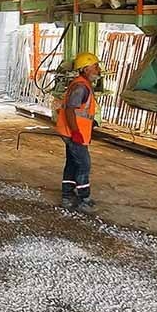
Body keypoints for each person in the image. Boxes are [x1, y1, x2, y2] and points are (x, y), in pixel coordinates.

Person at [55, 52, 101, 213]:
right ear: (86, 68)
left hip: (73, 131)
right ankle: (83, 199)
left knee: (73, 162)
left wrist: (90, 122)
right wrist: (75, 132)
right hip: (74, 132)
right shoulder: (81, 87)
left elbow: (81, 111)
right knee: (83, 164)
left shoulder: (82, 84)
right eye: (95, 66)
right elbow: (69, 111)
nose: (98, 69)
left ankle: (67, 196)